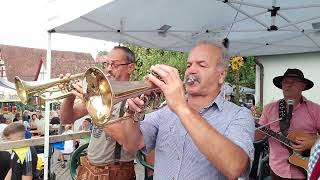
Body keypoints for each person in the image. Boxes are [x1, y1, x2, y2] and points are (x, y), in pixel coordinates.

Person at [105, 41, 255, 179]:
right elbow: (131, 145)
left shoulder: (239, 115)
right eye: (189, 65)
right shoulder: (165, 111)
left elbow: (235, 166)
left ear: (221, 75)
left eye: (201, 65)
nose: (191, 70)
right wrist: (132, 114)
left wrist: (181, 107)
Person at [60, 46, 136, 180]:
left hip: (115, 172)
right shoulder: (100, 93)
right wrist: (69, 94)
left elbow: (127, 141)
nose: (108, 69)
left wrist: (93, 106)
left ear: (130, 67)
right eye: (107, 64)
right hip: (89, 167)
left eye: (114, 64)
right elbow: (66, 118)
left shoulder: (136, 97)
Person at [256, 68, 320, 179]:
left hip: (308, 170)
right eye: (285, 82)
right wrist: (250, 128)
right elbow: (259, 135)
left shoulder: (316, 110)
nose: (288, 85)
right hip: (277, 170)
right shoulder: (269, 109)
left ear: (303, 86)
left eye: (293, 82)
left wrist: (314, 142)